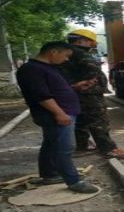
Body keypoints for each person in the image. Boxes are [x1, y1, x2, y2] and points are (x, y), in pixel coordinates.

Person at [16, 41, 98, 193]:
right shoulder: (32, 69)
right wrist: (59, 113)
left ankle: (50, 175)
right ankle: (74, 182)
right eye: (66, 55)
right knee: (65, 149)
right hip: (57, 114)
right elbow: (41, 95)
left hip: (63, 112)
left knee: (50, 145)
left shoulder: (47, 68)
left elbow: (54, 89)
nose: (66, 59)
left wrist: (76, 86)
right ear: (53, 52)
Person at [62, 29, 124, 160]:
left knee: (81, 120)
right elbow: (92, 69)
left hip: (74, 92)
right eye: (90, 42)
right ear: (80, 40)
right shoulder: (81, 54)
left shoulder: (67, 53)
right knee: (98, 120)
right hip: (89, 94)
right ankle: (109, 149)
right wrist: (89, 83)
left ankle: (82, 146)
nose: (92, 45)